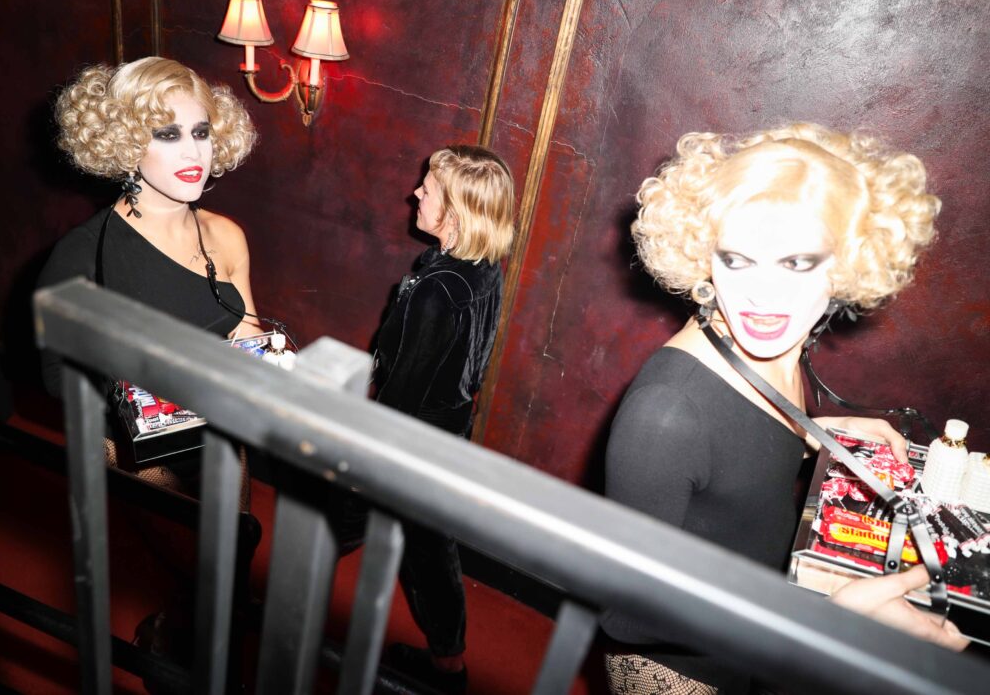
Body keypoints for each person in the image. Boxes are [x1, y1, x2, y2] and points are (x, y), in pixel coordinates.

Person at [601, 124, 968, 695]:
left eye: (796, 263)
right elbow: (631, 617)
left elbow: (734, 452)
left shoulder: (768, 345)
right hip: (679, 669)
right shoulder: (667, 413)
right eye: (736, 259)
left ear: (847, 260)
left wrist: (815, 431)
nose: (762, 296)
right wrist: (823, 618)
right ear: (704, 254)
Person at [38, 56, 260, 495]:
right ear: (123, 140)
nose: (194, 152)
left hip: (220, 433)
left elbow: (248, 332)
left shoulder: (227, 235)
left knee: (236, 536)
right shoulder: (84, 254)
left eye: (201, 132)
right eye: (168, 134)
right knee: (180, 536)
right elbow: (57, 376)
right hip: (132, 447)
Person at [373, 145, 514, 693]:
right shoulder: (482, 268)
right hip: (451, 426)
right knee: (430, 544)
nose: (415, 193)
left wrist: (362, 446)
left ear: (455, 214)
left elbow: (402, 394)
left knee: (423, 548)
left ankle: (448, 670)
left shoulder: (438, 288)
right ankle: (447, 664)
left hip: (416, 438)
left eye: (428, 190)